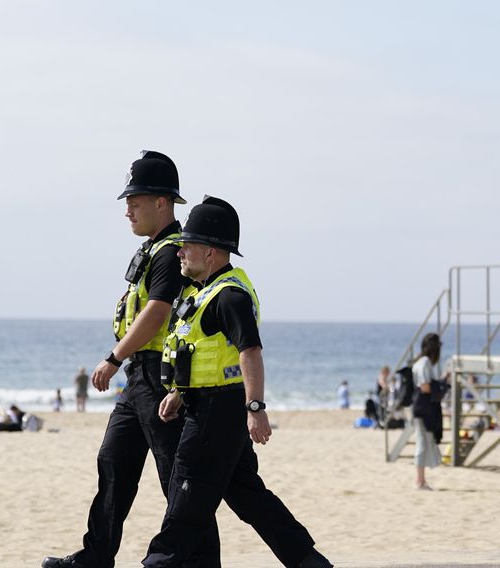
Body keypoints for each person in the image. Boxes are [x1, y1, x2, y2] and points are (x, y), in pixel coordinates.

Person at [44, 151, 218, 568]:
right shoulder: (154, 249)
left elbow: (157, 309)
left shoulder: (171, 252)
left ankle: (201, 562)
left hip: (158, 378)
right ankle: (96, 556)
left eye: (134, 202)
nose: (127, 211)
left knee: (176, 479)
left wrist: (113, 357)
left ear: (162, 202)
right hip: (139, 379)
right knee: (113, 463)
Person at [142, 196, 331, 568]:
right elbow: (206, 355)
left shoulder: (230, 297)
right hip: (210, 407)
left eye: (187, 246)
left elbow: (250, 352)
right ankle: (309, 562)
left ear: (211, 253)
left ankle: (158, 563)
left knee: (185, 498)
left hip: (218, 414)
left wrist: (256, 408)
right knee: (248, 497)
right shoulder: (204, 292)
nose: (180, 252)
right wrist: (180, 394)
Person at [411, 332, 445, 491]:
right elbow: (425, 386)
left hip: (419, 406)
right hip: (423, 407)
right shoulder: (425, 363)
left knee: (423, 442)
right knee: (422, 443)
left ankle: (421, 480)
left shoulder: (419, 361)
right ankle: (419, 481)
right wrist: (441, 387)